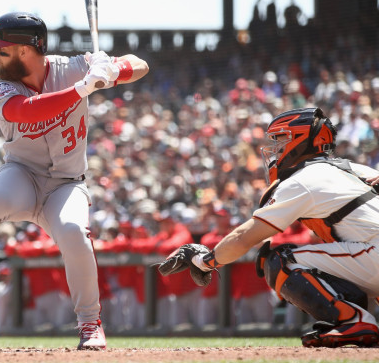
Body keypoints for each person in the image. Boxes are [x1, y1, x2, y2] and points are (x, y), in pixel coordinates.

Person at [0, 11, 149, 349]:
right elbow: (28, 110)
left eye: (1, 49)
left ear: (25, 51)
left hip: (67, 182)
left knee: (74, 234)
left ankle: (89, 324)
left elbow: (140, 65)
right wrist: (84, 88)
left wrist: (112, 69)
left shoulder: (71, 67)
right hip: (22, 173)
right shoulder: (1, 86)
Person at [159, 107, 379, 347]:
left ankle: (354, 321)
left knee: (279, 261)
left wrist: (205, 261)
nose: (275, 148)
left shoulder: (304, 179)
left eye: (281, 139)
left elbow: (246, 237)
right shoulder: (356, 169)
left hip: (373, 255)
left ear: (300, 139)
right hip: (370, 256)